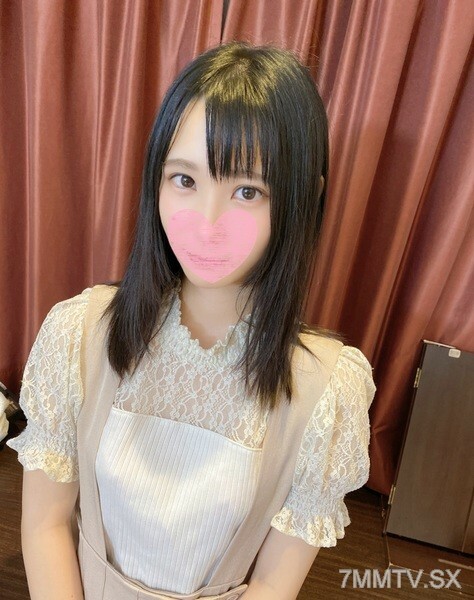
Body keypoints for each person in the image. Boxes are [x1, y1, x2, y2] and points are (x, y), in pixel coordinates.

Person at [7, 41, 376, 600]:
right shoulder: (78, 334)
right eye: (185, 180)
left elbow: (273, 583)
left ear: (304, 198)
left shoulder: (327, 391)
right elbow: (45, 526)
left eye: (247, 191)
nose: (207, 222)